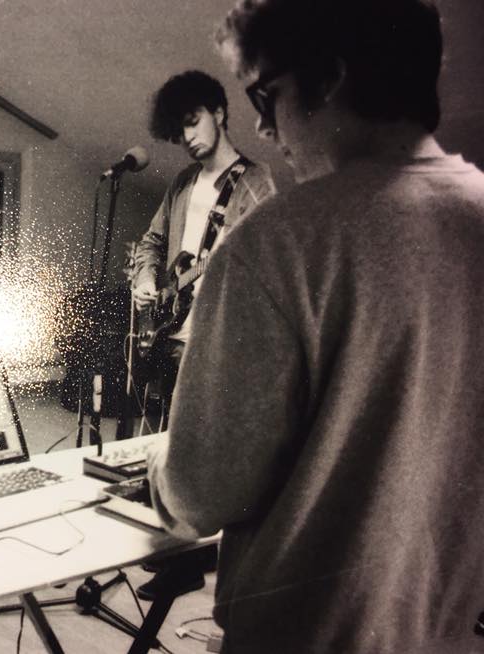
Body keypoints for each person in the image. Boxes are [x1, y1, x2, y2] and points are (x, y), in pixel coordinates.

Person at [147, 1, 484, 652]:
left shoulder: (274, 243)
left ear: (328, 78)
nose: (264, 126)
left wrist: (162, 465)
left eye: (266, 97)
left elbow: (199, 495)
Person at [131, 70, 275, 428]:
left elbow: (267, 269)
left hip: (217, 348)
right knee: (164, 437)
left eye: (193, 122)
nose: (188, 137)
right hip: (170, 337)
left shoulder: (256, 182)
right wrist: (146, 280)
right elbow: (152, 241)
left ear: (219, 113)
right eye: (179, 131)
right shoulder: (183, 182)